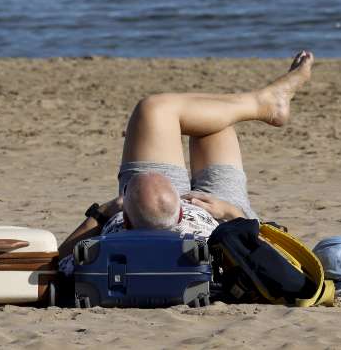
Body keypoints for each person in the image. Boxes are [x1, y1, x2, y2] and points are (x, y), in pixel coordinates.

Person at [58, 51, 315, 267]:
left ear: (125, 218)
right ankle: (265, 103)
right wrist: (231, 212)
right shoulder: (211, 243)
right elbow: (266, 252)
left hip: (151, 214)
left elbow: (58, 261)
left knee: (196, 116)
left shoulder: (111, 242)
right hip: (221, 220)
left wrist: (105, 212)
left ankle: (265, 102)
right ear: (180, 212)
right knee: (203, 123)